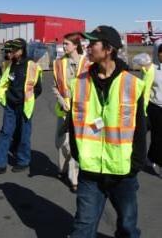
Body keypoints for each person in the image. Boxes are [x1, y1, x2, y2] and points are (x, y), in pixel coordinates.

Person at [69, 25, 147, 238]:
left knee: (128, 227)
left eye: (93, 43)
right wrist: (78, 155)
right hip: (90, 172)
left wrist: (135, 166)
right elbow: (72, 123)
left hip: (123, 172)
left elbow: (140, 129)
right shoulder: (80, 83)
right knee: (82, 227)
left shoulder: (132, 84)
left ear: (108, 49)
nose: (87, 47)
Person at [0, 38, 42, 176]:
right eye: (11, 49)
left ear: (22, 50)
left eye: (15, 49)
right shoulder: (9, 64)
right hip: (10, 105)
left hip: (24, 106)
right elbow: (4, 81)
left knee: (24, 135)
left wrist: (27, 99)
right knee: (5, 133)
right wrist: (7, 98)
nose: (12, 51)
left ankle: (23, 161)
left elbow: (38, 88)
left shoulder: (32, 65)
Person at [52, 32, 89, 192]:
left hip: (81, 111)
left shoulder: (87, 63)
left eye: (66, 44)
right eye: (63, 43)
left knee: (74, 143)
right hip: (63, 110)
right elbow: (54, 86)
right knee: (60, 142)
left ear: (75, 45)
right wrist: (61, 100)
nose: (63, 46)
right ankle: (62, 168)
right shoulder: (59, 63)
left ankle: (74, 179)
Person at [141, 39, 162, 177]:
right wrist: (142, 109)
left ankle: (151, 157)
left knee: (158, 138)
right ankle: (158, 162)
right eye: (161, 52)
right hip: (155, 108)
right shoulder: (151, 69)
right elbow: (145, 89)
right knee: (157, 137)